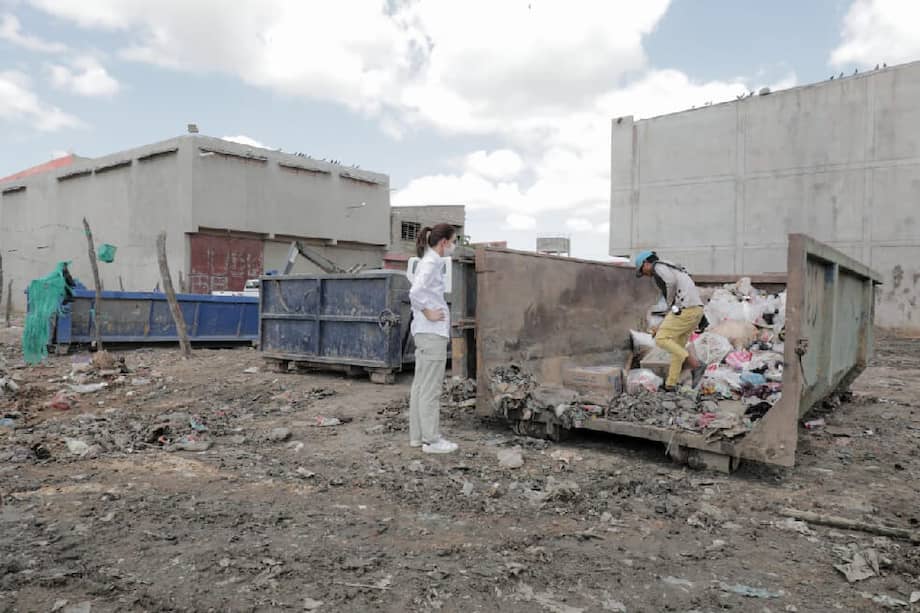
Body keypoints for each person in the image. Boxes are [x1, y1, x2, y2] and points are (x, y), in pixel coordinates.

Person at [408, 223, 458, 454]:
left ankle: (418, 437)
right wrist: (428, 311)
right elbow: (415, 293)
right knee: (430, 389)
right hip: (431, 334)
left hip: (424, 333)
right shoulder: (431, 263)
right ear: (444, 242)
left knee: (420, 387)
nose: (454, 247)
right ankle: (431, 440)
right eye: (454, 241)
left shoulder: (429, 262)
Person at [634, 250, 706, 391]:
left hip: (685, 309)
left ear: (646, 263)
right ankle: (670, 384)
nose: (645, 275)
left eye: (642, 271)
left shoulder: (658, 267)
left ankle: (696, 365)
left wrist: (670, 302)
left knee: (661, 339)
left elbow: (670, 283)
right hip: (694, 310)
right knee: (677, 348)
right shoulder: (673, 267)